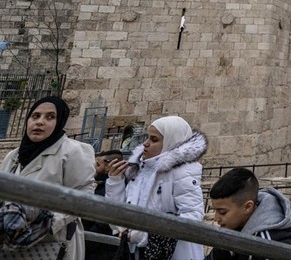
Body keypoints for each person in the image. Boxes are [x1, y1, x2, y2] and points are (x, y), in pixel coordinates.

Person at [0, 96, 96, 260]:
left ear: (60, 122)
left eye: (50, 117)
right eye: (35, 116)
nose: (40, 122)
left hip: (52, 241)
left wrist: (46, 223)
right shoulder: (14, 156)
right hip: (11, 240)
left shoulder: (74, 151)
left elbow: (83, 195)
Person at [107, 115, 208, 260]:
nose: (145, 144)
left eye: (154, 139)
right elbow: (122, 211)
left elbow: (193, 216)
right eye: (147, 138)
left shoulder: (182, 172)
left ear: (171, 142)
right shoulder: (139, 169)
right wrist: (115, 182)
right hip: (136, 252)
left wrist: (146, 234)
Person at [208, 167, 291, 257]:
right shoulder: (230, 229)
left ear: (248, 207)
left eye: (223, 212)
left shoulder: (274, 243)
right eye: (215, 210)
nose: (216, 218)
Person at [84, 149, 124, 260]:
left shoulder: (109, 188)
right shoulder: (98, 184)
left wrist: (85, 241)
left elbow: (102, 223)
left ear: (108, 166)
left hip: (100, 250)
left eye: (97, 164)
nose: (94, 167)